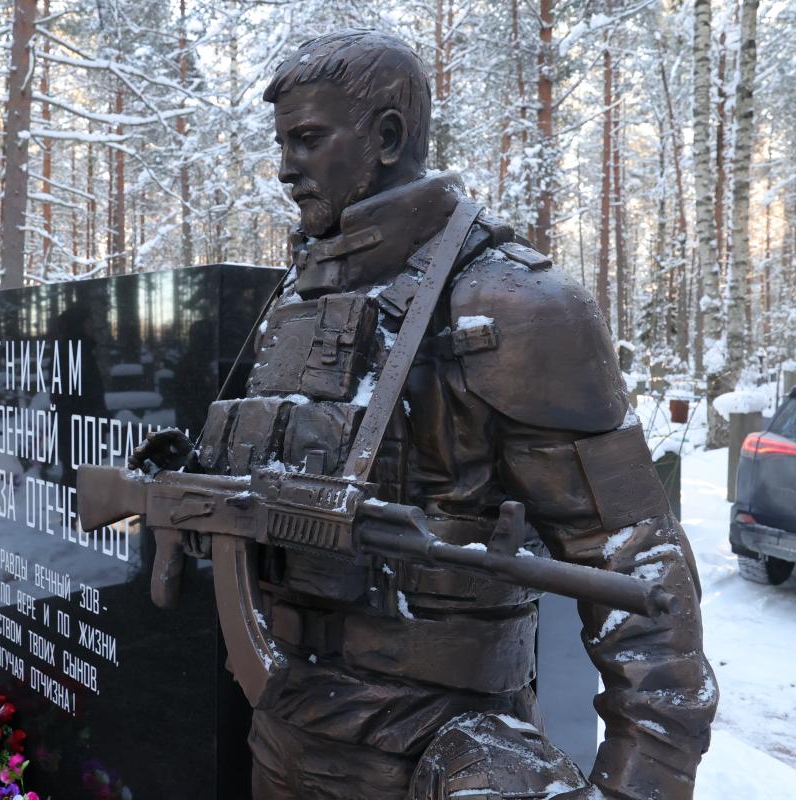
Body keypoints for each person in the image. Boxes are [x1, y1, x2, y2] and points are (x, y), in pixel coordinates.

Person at [130, 30, 716, 800]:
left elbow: (642, 568)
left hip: (433, 761)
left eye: (307, 140)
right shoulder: (302, 294)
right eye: (282, 143)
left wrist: (636, 785)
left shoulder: (512, 306)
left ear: (388, 136)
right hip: (280, 740)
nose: (284, 169)